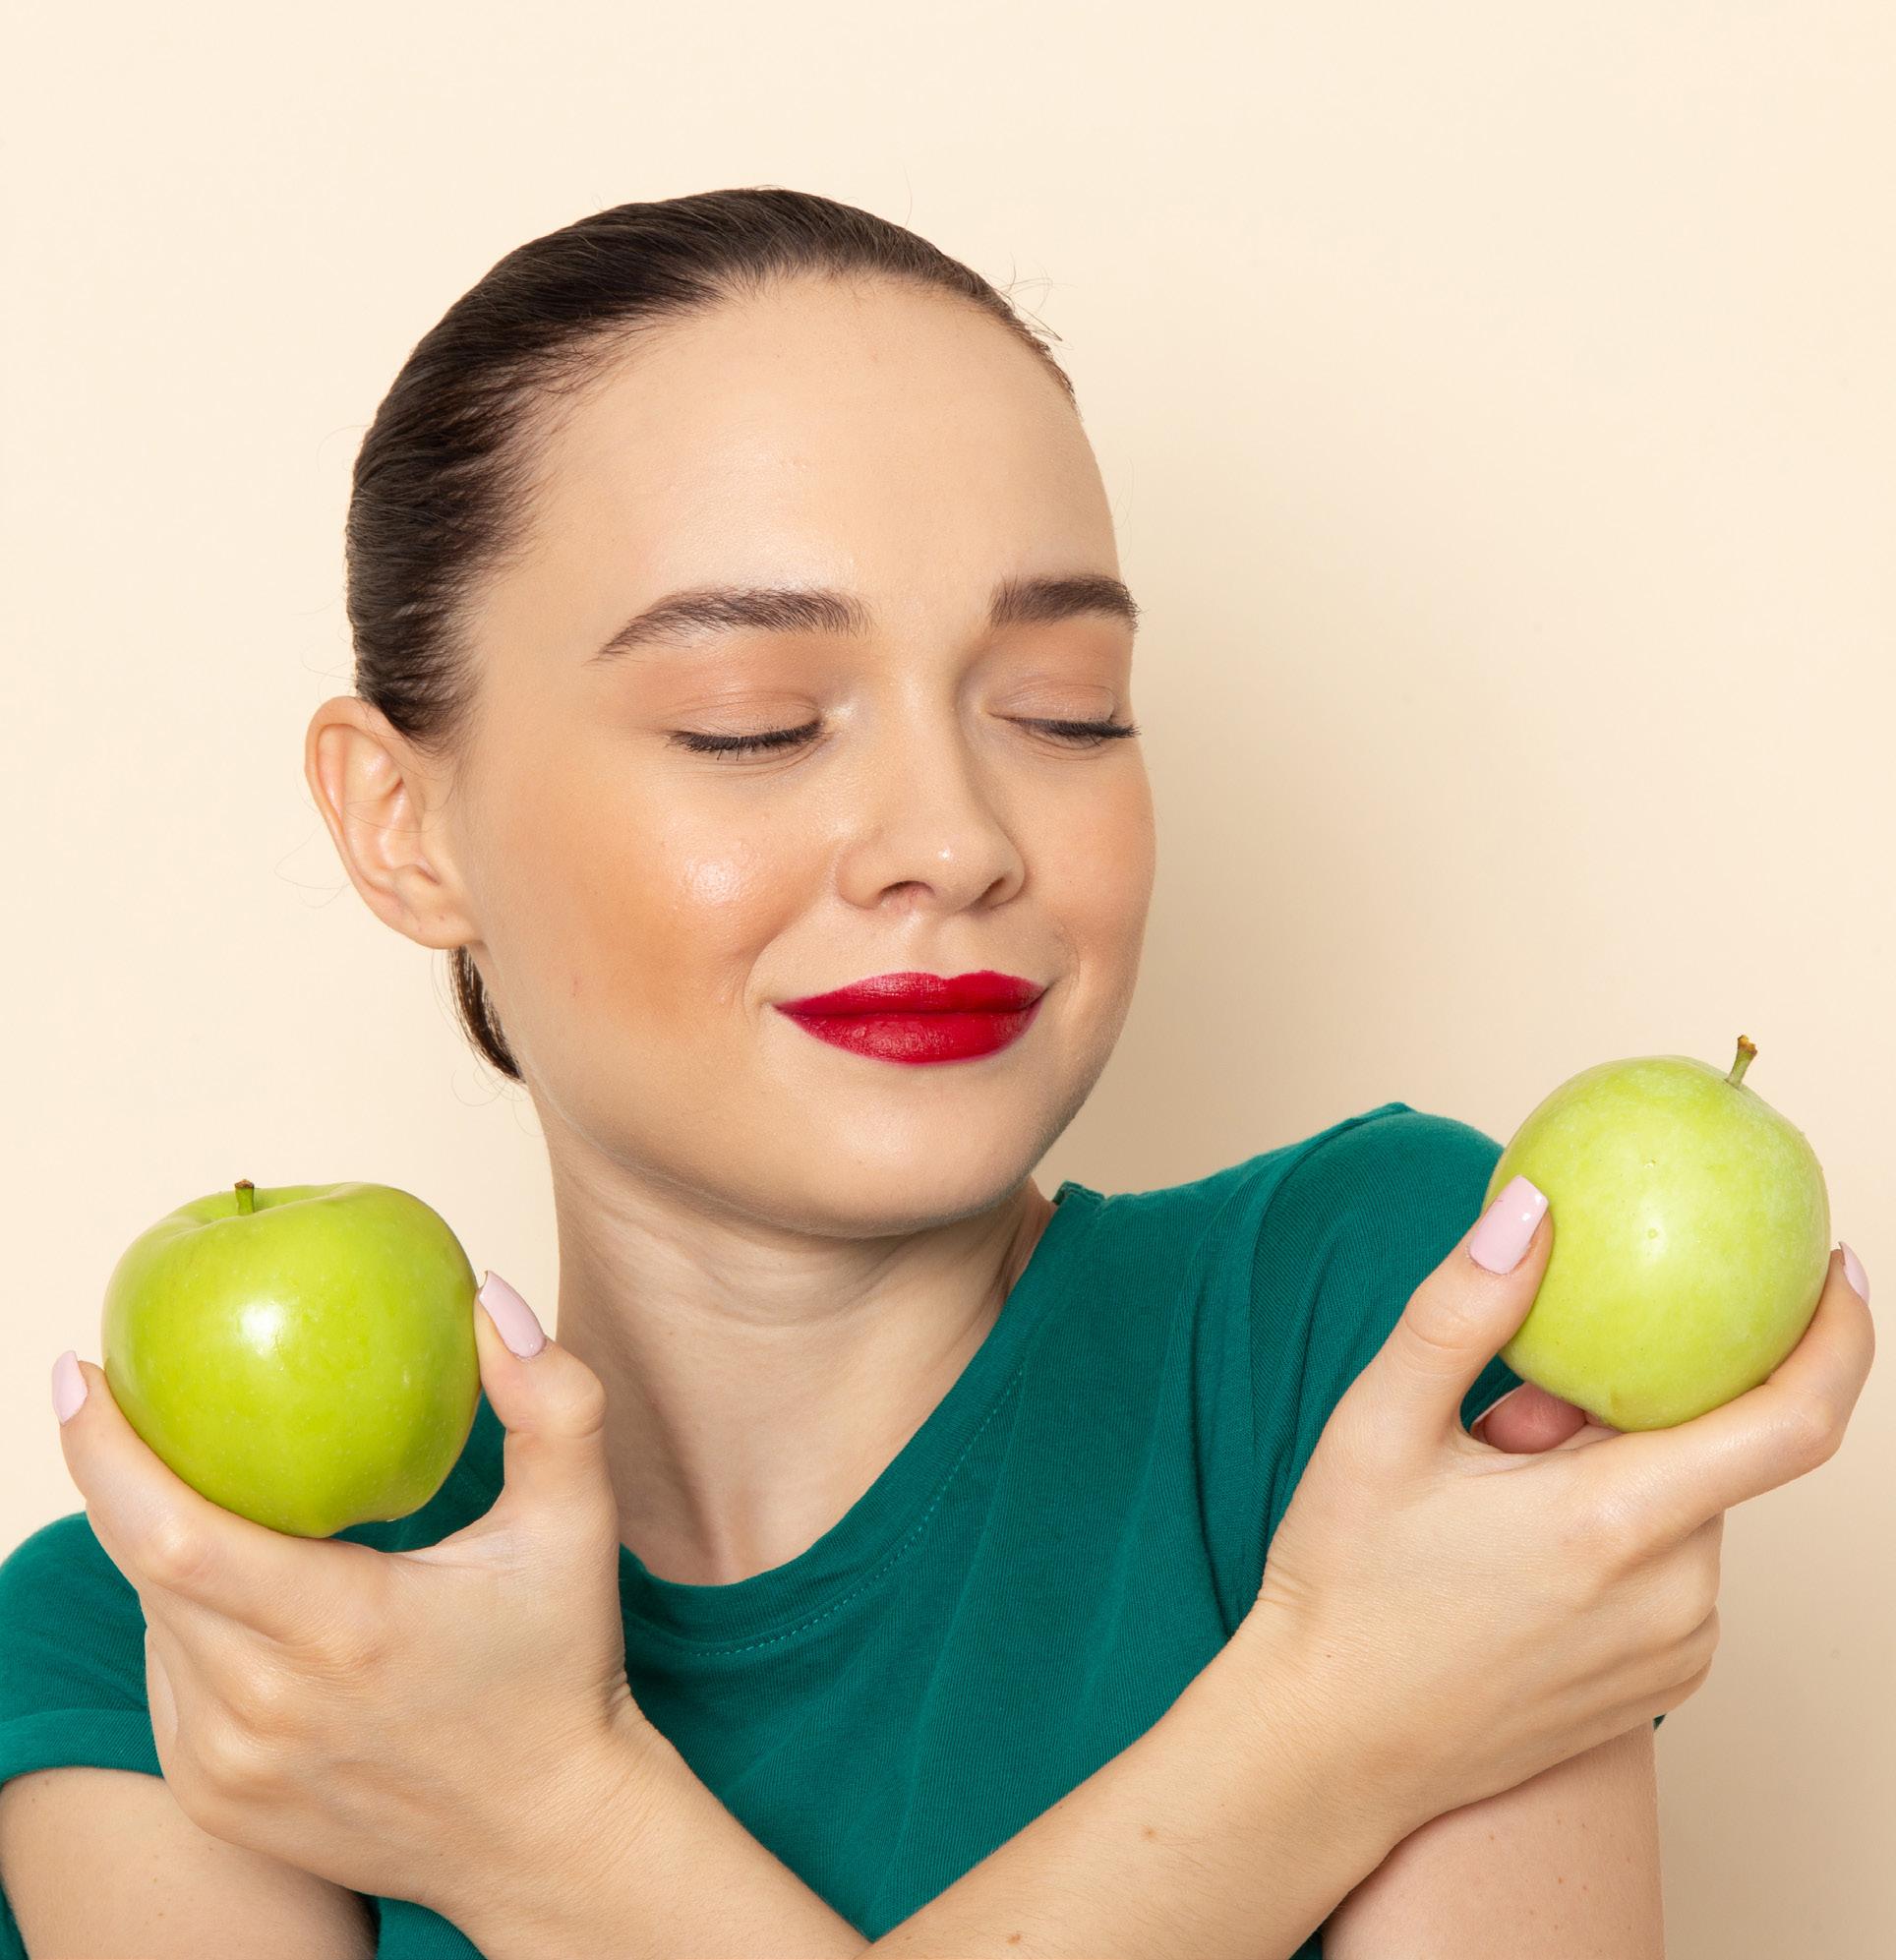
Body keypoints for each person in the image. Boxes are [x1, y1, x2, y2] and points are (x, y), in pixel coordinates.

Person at [0, 188, 1872, 1960]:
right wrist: (1341, 1724)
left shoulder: (1385, 1335)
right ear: (404, 822)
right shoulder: (205, 1644)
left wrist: (541, 1833)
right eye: (755, 724)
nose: (956, 840)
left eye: (1065, 708)